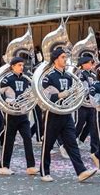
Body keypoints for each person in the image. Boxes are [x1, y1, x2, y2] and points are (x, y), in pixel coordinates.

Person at [39, 47, 96, 182]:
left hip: (66, 113)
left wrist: (76, 95)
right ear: (55, 59)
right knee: (47, 144)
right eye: (63, 57)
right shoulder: (48, 76)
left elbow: (73, 93)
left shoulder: (69, 76)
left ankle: (81, 171)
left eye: (66, 57)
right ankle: (44, 172)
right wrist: (59, 95)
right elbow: (44, 96)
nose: (65, 60)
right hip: (52, 113)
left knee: (72, 144)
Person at [0, 56, 37, 176]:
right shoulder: (7, 79)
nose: (22, 67)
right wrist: (7, 101)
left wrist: (27, 102)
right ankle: (3, 166)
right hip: (11, 113)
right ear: (12, 66)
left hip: (23, 113)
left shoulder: (25, 79)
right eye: (19, 65)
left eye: (22, 65)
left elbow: (30, 94)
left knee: (28, 139)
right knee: (9, 140)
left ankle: (30, 166)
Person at [75, 55, 97, 155]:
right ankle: (73, 140)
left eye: (91, 62)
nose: (91, 64)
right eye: (88, 63)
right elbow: (82, 87)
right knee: (80, 123)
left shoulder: (93, 75)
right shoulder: (81, 74)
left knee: (91, 124)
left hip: (91, 103)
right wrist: (90, 90)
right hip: (83, 103)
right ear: (83, 64)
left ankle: (81, 140)